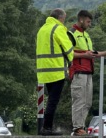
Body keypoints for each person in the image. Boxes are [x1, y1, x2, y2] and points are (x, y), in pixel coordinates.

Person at [68, 10, 106, 136]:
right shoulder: (71, 33)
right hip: (78, 71)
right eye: (88, 21)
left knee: (88, 102)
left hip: (88, 71)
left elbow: (92, 53)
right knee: (79, 100)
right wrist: (84, 54)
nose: (90, 24)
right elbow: (67, 53)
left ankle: (80, 126)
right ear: (81, 20)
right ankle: (77, 128)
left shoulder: (86, 35)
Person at [36, 8, 74, 136]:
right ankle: (47, 128)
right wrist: (71, 60)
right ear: (61, 18)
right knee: (53, 100)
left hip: (44, 70)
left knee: (50, 99)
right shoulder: (58, 28)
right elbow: (68, 48)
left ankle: (46, 126)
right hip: (57, 70)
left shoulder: (42, 29)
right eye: (64, 18)